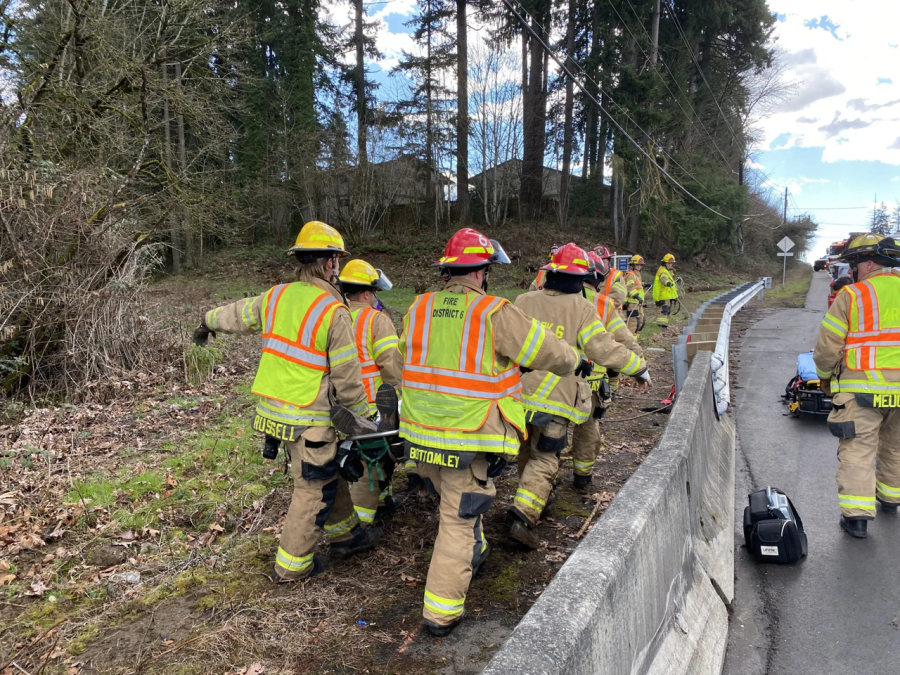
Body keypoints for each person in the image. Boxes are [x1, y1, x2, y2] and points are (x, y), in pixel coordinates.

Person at [399, 228, 582, 637]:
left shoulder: (418, 308)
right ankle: (441, 613)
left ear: (448, 271)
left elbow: (402, 362)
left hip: (420, 434)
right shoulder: (493, 312)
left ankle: (475, 550)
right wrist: (575, 359)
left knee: (457, 503)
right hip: (467, 435)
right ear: (482, 272)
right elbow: (546, 351)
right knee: (457, 520)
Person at [192, 221, 381, 581]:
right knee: (312, 489)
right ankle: (292, 567)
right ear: (330, 264)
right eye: (337, 261)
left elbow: (237, 314)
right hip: (309, 417)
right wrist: (362, 423)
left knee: (325, 474)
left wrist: (206, 321)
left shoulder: (276, 296)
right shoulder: (333, 310)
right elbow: (347, 378)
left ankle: (349, 537)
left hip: (273, 413)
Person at [512, 244, 649, 544]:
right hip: (556, 398)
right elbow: (604, 347)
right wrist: (638, 367)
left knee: (527, 450)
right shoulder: (583, 307)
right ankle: (523, 512)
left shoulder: (523, 301)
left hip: (518, 395)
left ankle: (536, 497)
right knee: (546, 457)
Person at [813, 233, 900, 539]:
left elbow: (827, 347)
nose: (852, 270)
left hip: (861, 390)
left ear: (870, 263)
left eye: (855, 263)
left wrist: (824, 376)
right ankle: (891, 500)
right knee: (895, 446)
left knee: (858, 452)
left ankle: (857, 519)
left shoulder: (853, 296)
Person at [569, 251, 647, 489]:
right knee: (588, 426)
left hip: (556, 379)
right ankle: (582, 477)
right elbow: (623, 339)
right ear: (597, 278)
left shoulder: (554, 300)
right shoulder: (602, 304)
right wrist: (641, 365)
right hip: (591, 379)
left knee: (550, 433)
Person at [338, 259, 404, 526]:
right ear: (366, 292)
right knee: (373, 458)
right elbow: (391, 363)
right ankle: (361, 523)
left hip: (339, 402)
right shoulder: (375, 320)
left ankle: (383, 498)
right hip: (373, 404)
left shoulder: (334, 315)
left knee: (363, 454)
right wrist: (401, 394)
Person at [592, 245, 627, 310]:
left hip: (611, 316)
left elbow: (617, 297)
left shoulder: (616, 277)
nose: (600, 265)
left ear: (609, 263)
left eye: (603, 262)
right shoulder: (588, 276)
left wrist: (595, 307)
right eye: (596, 262)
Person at [653, 254, 678, 326]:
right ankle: (661, 326)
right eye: (669, 263)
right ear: (665, 263)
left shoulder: (668, 271)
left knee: (667, 311)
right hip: (662, 295)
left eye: (671, 263)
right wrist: (668, 283)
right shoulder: (662, 271)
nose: (670, 265)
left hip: (667, 295)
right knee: (663, 311)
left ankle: (663, 326)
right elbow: (664, 278)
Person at [623, 255, 646, 333]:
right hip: (633, 302)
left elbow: (637, 284)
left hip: (638, 303)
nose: (639, 266)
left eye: (640, 265)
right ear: (633, 265)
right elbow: (629, 287)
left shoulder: (637, 275)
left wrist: (644, 284)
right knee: (633, 324)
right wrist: (636, 296)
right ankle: (630, 342)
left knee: (640, 323)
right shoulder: (630, 275)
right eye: (637, 264)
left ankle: (636, 342)